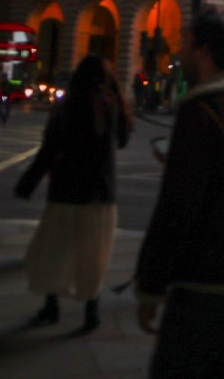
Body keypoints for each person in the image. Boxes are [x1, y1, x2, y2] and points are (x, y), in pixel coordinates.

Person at [133, 8, 224, 376]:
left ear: (204, 51)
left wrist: (151, 286)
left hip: (212, 279)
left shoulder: (201, 110)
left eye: (185, 42)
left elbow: (177, 207)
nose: (179, 51)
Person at [14, 55, 132, 333]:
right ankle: (91, 314)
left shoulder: (66, 106)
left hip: (66, 191)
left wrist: (27, 183)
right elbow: (123, 141)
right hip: (101, 194)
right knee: (92, 258)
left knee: (52, 253)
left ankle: (51, 307)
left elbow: (49, 150)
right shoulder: (112, 105)